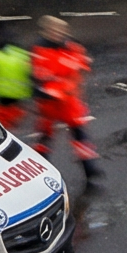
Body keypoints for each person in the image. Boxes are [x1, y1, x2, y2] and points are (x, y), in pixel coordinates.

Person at [30, 15, 100, 189]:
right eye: (53, 30)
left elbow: (81, 63)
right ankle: (39, 171)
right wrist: (43, 91)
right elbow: (37, 77)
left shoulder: (70, 48)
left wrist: (83, 62)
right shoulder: (40, 51)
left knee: (80, 135)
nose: (57, 33)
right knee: (45, 139)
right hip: (51, 104)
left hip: (69, 103)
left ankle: (89, 168)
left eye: (60, 30)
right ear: (45, 31)